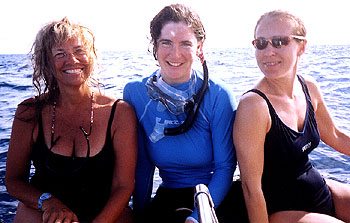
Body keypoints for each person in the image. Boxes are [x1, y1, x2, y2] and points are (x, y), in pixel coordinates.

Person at [5, 17, 137, 223]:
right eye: (60, 54)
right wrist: (47, 202)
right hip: (47, 214)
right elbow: (13, 181)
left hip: (106, 213)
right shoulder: (29, 112)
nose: (72, 60)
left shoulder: (119, 112)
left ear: (91, 56)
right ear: (46, 63)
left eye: (79, 51)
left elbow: (124, 186)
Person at [123, 4, 237, 223]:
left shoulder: (218, 95)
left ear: (199, 48)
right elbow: (144, 167)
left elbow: (225, 167)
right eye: (166, 43)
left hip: (215, 195)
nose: (175, 54)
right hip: (170, 195)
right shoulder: (135, 93)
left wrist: (196, 218)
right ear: (154, 46)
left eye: (185, 44)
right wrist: (139, 215)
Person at [233, 10, 350, 223]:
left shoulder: (309, 88)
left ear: (301, 46)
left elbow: (335, 136)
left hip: (318, 190)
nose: (268, 51)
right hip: (281, 208)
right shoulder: (254, 105)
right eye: (261, 43)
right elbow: (251, 188)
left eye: (279, 42)